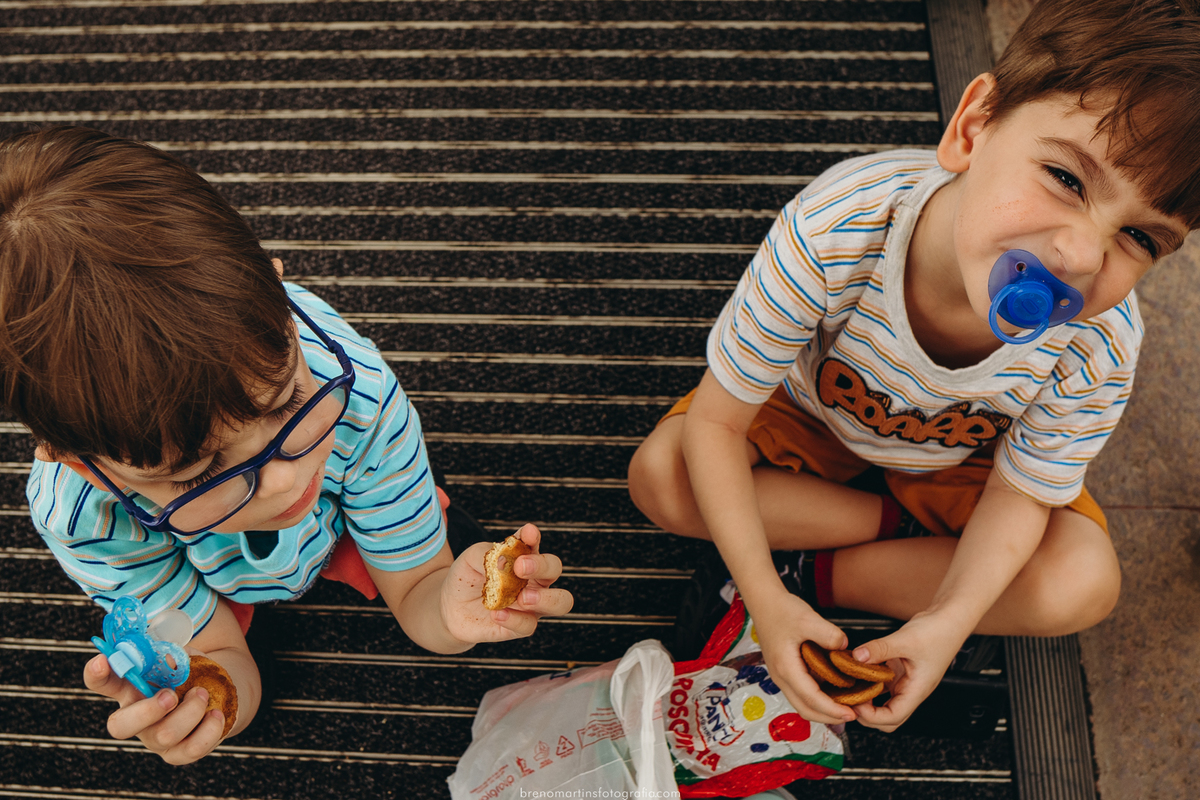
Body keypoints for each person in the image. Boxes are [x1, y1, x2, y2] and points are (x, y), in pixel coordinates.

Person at [628, 0, 1200, 733]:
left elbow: (1021, 497)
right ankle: (875, 547)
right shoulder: (836, 226)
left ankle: (822, 571)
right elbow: (716, 420)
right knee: (663, 477)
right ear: (972, 128)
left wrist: (951, 620)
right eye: (1066, 177)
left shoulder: (1099, 339)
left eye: (1141, 240)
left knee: (1081, 584)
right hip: (807, 421)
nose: (1081, 257)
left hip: (965, 470)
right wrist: (763, 599)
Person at [0, 126, 574, 764]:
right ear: (80, 464)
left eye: (287, 403)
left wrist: (447, 610)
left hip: (346, 504)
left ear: (279, 296)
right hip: (215, 572)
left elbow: (418, 592)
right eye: (199, 471)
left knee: (451, 560)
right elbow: (219, 658)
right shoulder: (85, 519)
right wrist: (208, 704)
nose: (282, 482)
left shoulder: (354, 386)